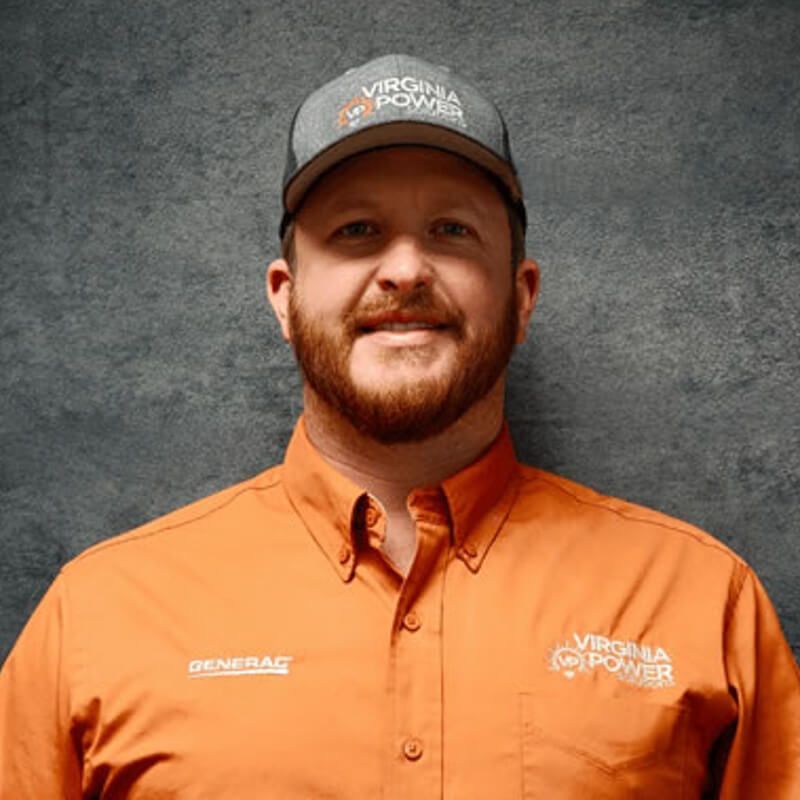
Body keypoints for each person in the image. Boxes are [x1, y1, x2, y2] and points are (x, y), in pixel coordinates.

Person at [1, 53, 798, 799]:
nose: (406, 269)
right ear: (284, 294)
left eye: (452, 230)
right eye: (356, 231)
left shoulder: (701, 604)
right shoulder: (99, 614)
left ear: (521, 296)